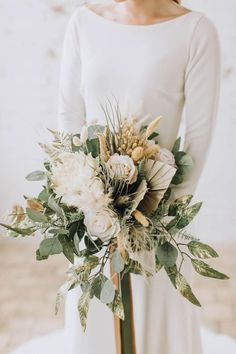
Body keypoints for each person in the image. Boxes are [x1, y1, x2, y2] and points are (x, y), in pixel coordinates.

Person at [11, 1, 227, 354]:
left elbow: (198, 140)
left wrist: (152, 220)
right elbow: (70, 114)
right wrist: (84, 193)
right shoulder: (84, 22)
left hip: (157, 223)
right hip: (93, 217)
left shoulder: (196, 31)